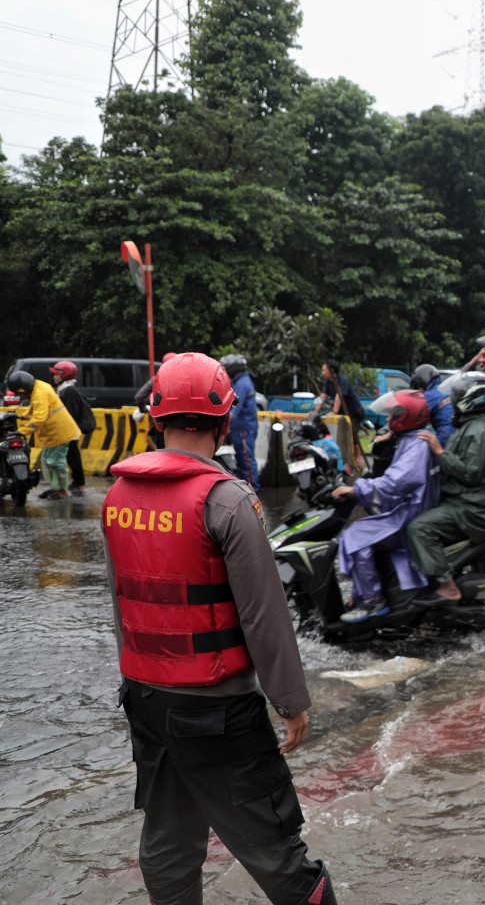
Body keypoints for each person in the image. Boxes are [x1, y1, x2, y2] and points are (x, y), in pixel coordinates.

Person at [101, 352, 335, 905]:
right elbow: (264, 614)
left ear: (156, 419)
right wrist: (291, 702)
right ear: (226, 422)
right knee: (278, 855)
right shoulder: (228, 501)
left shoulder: (116, 498)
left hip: (148, 703)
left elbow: (123, 608)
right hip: (219, 712)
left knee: (168, 846)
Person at [331, 389, 439, 621]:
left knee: (356, 536)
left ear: (407, 416)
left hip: (408, 514)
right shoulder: (411, 438)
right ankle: (362, 590)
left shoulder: (417, 445)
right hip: (404, 509)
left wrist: (356, 488)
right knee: (359, 532)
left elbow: (396, 483)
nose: (388, 420)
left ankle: (373, 601)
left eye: (393, 416)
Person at [406, 372, 485, 601]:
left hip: (473, 508)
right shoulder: (469, 425)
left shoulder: (479, 429)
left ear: (472, 399)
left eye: (459, 394)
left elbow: (470, 472)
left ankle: (447, 585)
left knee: (419, 528)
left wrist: (440, 452)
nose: (453, 397)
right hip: (466, 501)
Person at [7, 370, 81, 499]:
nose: (22, 394)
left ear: (24, 388)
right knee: (48, 462)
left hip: (59, 433)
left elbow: (39, 419)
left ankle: (62, 491)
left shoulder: (40, 393)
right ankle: (55, 488)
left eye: (21, 392)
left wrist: (20, 432)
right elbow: (35, 407)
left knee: (57, 463)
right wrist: (23, 416)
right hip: (52, 434)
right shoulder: (38, 386)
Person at [50, 361, 96, 494]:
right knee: (71, 456)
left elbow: (69, 413)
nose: (54, 377)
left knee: (73, 457)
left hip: (69, 431)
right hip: (68, 430)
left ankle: (79, 483)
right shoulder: (64, 389)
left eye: (57, 374)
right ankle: (77, 482)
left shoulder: (68, 391)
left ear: (65, 375)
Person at [319, 359, 367, 474]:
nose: (322, 373)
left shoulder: (342, 380)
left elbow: (339, 396)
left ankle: (358, 458)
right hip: (342, 413)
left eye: (324, 370)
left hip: (353, 411)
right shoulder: (328, 382)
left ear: (332, 370)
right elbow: (322, 397)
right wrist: (316, 410)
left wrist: (334, 411)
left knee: (354, 433)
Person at [220, 354, 259, 491]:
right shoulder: (239, 382)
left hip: (244, 428)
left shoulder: (242, 384)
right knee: (241, 459)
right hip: (239, 428)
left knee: (246, 460)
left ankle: (253, 490)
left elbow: (234, 408)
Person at [133, 353, 177, 450]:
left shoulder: (158, 378)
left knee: (163, 452)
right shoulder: (184, 379)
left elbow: (139, 397)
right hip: (180, 424)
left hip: (160, 423)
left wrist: (143, 409)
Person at [411, 363, 455, 445]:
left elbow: (415, 416)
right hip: (458, 432)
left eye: (418, 386)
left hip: (445, 436)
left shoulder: (430, 395)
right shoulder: (444, 389)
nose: (419, 391)